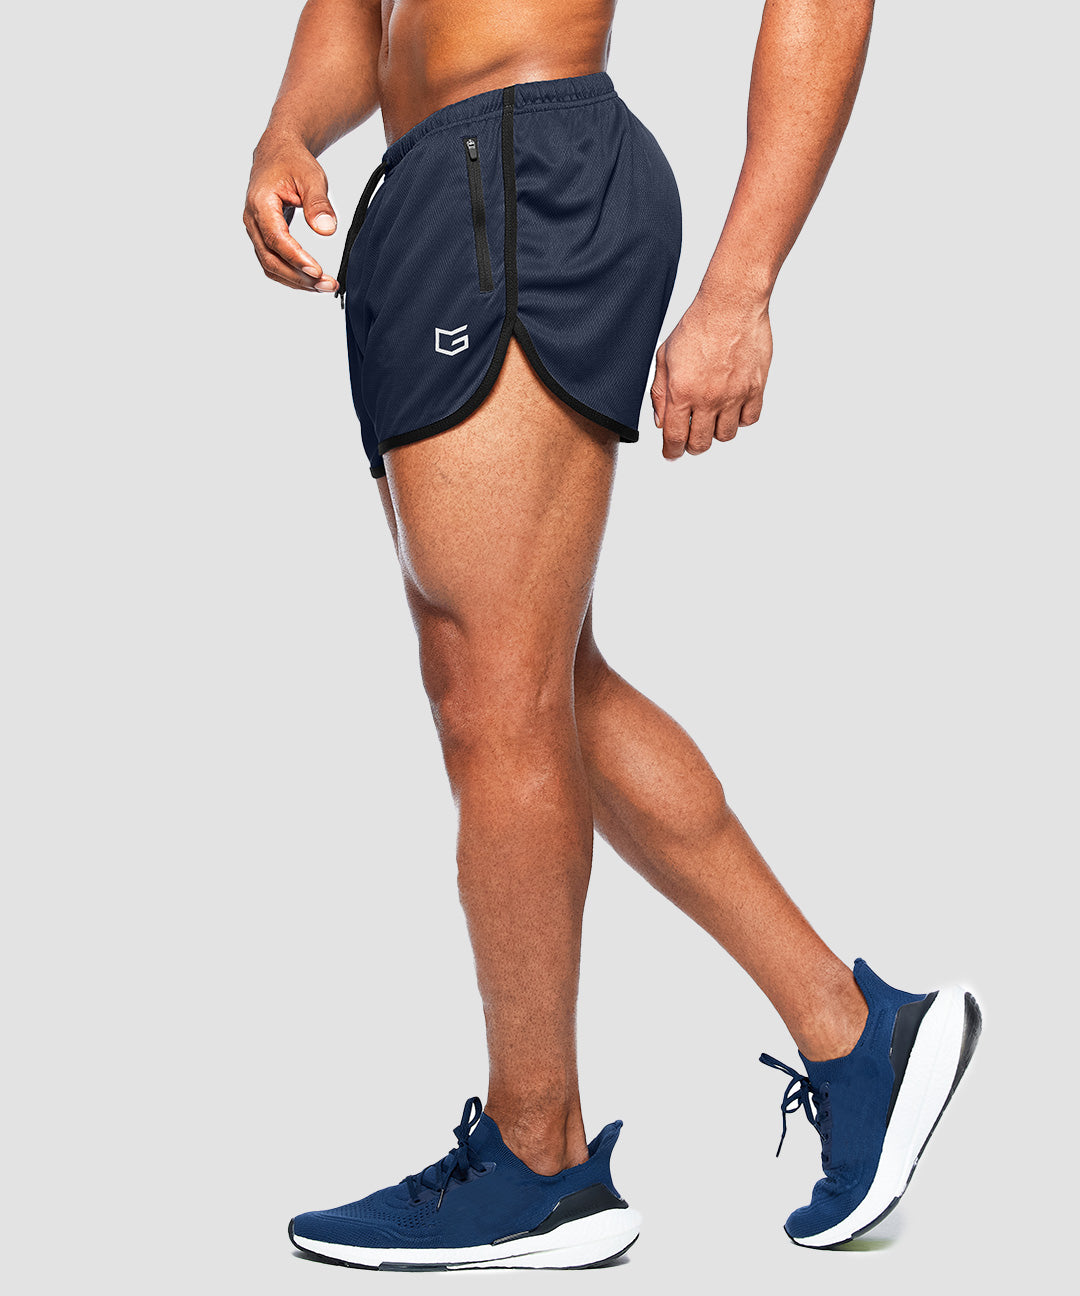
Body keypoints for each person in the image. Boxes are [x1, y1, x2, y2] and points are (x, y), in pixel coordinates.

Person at [244, 0, 980, 1268]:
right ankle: (858, 1039)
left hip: (522, 170)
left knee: (500, 688)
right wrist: (287, 131)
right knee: (526, 686)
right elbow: (357, 17)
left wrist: (741, 287)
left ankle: (538, 1159)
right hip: (430, 195)